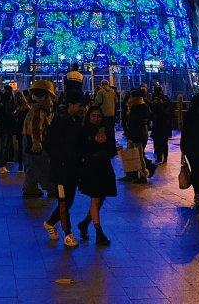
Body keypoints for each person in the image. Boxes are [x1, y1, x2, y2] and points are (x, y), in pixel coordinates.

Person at [43, 93, 85, 247]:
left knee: (69, 200)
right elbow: (49, 144)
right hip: (60, 169)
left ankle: (50, 222)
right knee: (63, 201)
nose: (81, 109)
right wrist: (60, 159)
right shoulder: (60, 120)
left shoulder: (76, 120)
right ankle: (67, 233)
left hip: (72, 168)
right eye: (79, 106)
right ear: (71, 105)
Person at [76, 105, 116, 245]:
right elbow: (81, 149)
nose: (97, 118)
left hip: (104, 167)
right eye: (94, 115)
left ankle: (85, 223)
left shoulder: (106, 130)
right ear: (89, 116)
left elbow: (113, 150)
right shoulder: (85, 130)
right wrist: (94, 142)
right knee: (95, 199)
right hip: (91, 168)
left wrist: (106, 142)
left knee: (100, 199)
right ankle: (99, 232)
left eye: (99, 116)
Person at [22, 79, 56, 198]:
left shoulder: (33, 109)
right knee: (42, 165)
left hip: (27, 139)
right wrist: (37, 142)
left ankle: (30, 187)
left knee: (32, 166)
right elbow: (36, 127)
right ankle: (51, 188)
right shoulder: (39, 111)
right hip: (36, 141)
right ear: (45, 96)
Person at [122, 90, 155, 183]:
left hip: (138, 134)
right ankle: (130, 174)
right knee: (130, 155)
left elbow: (136, 123)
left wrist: (131, 135)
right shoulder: (136, 107)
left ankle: (143, 176)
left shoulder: (141, 108)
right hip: (135, 134)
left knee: (139, 156)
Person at [150, 89, 173, 165]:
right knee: (162, 142)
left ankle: (161, 157)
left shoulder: (161, 100)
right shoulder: (163, 99)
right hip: (162, 124)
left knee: (159, 141)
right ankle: (162, 157)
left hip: (159, 124)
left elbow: (165, 112)